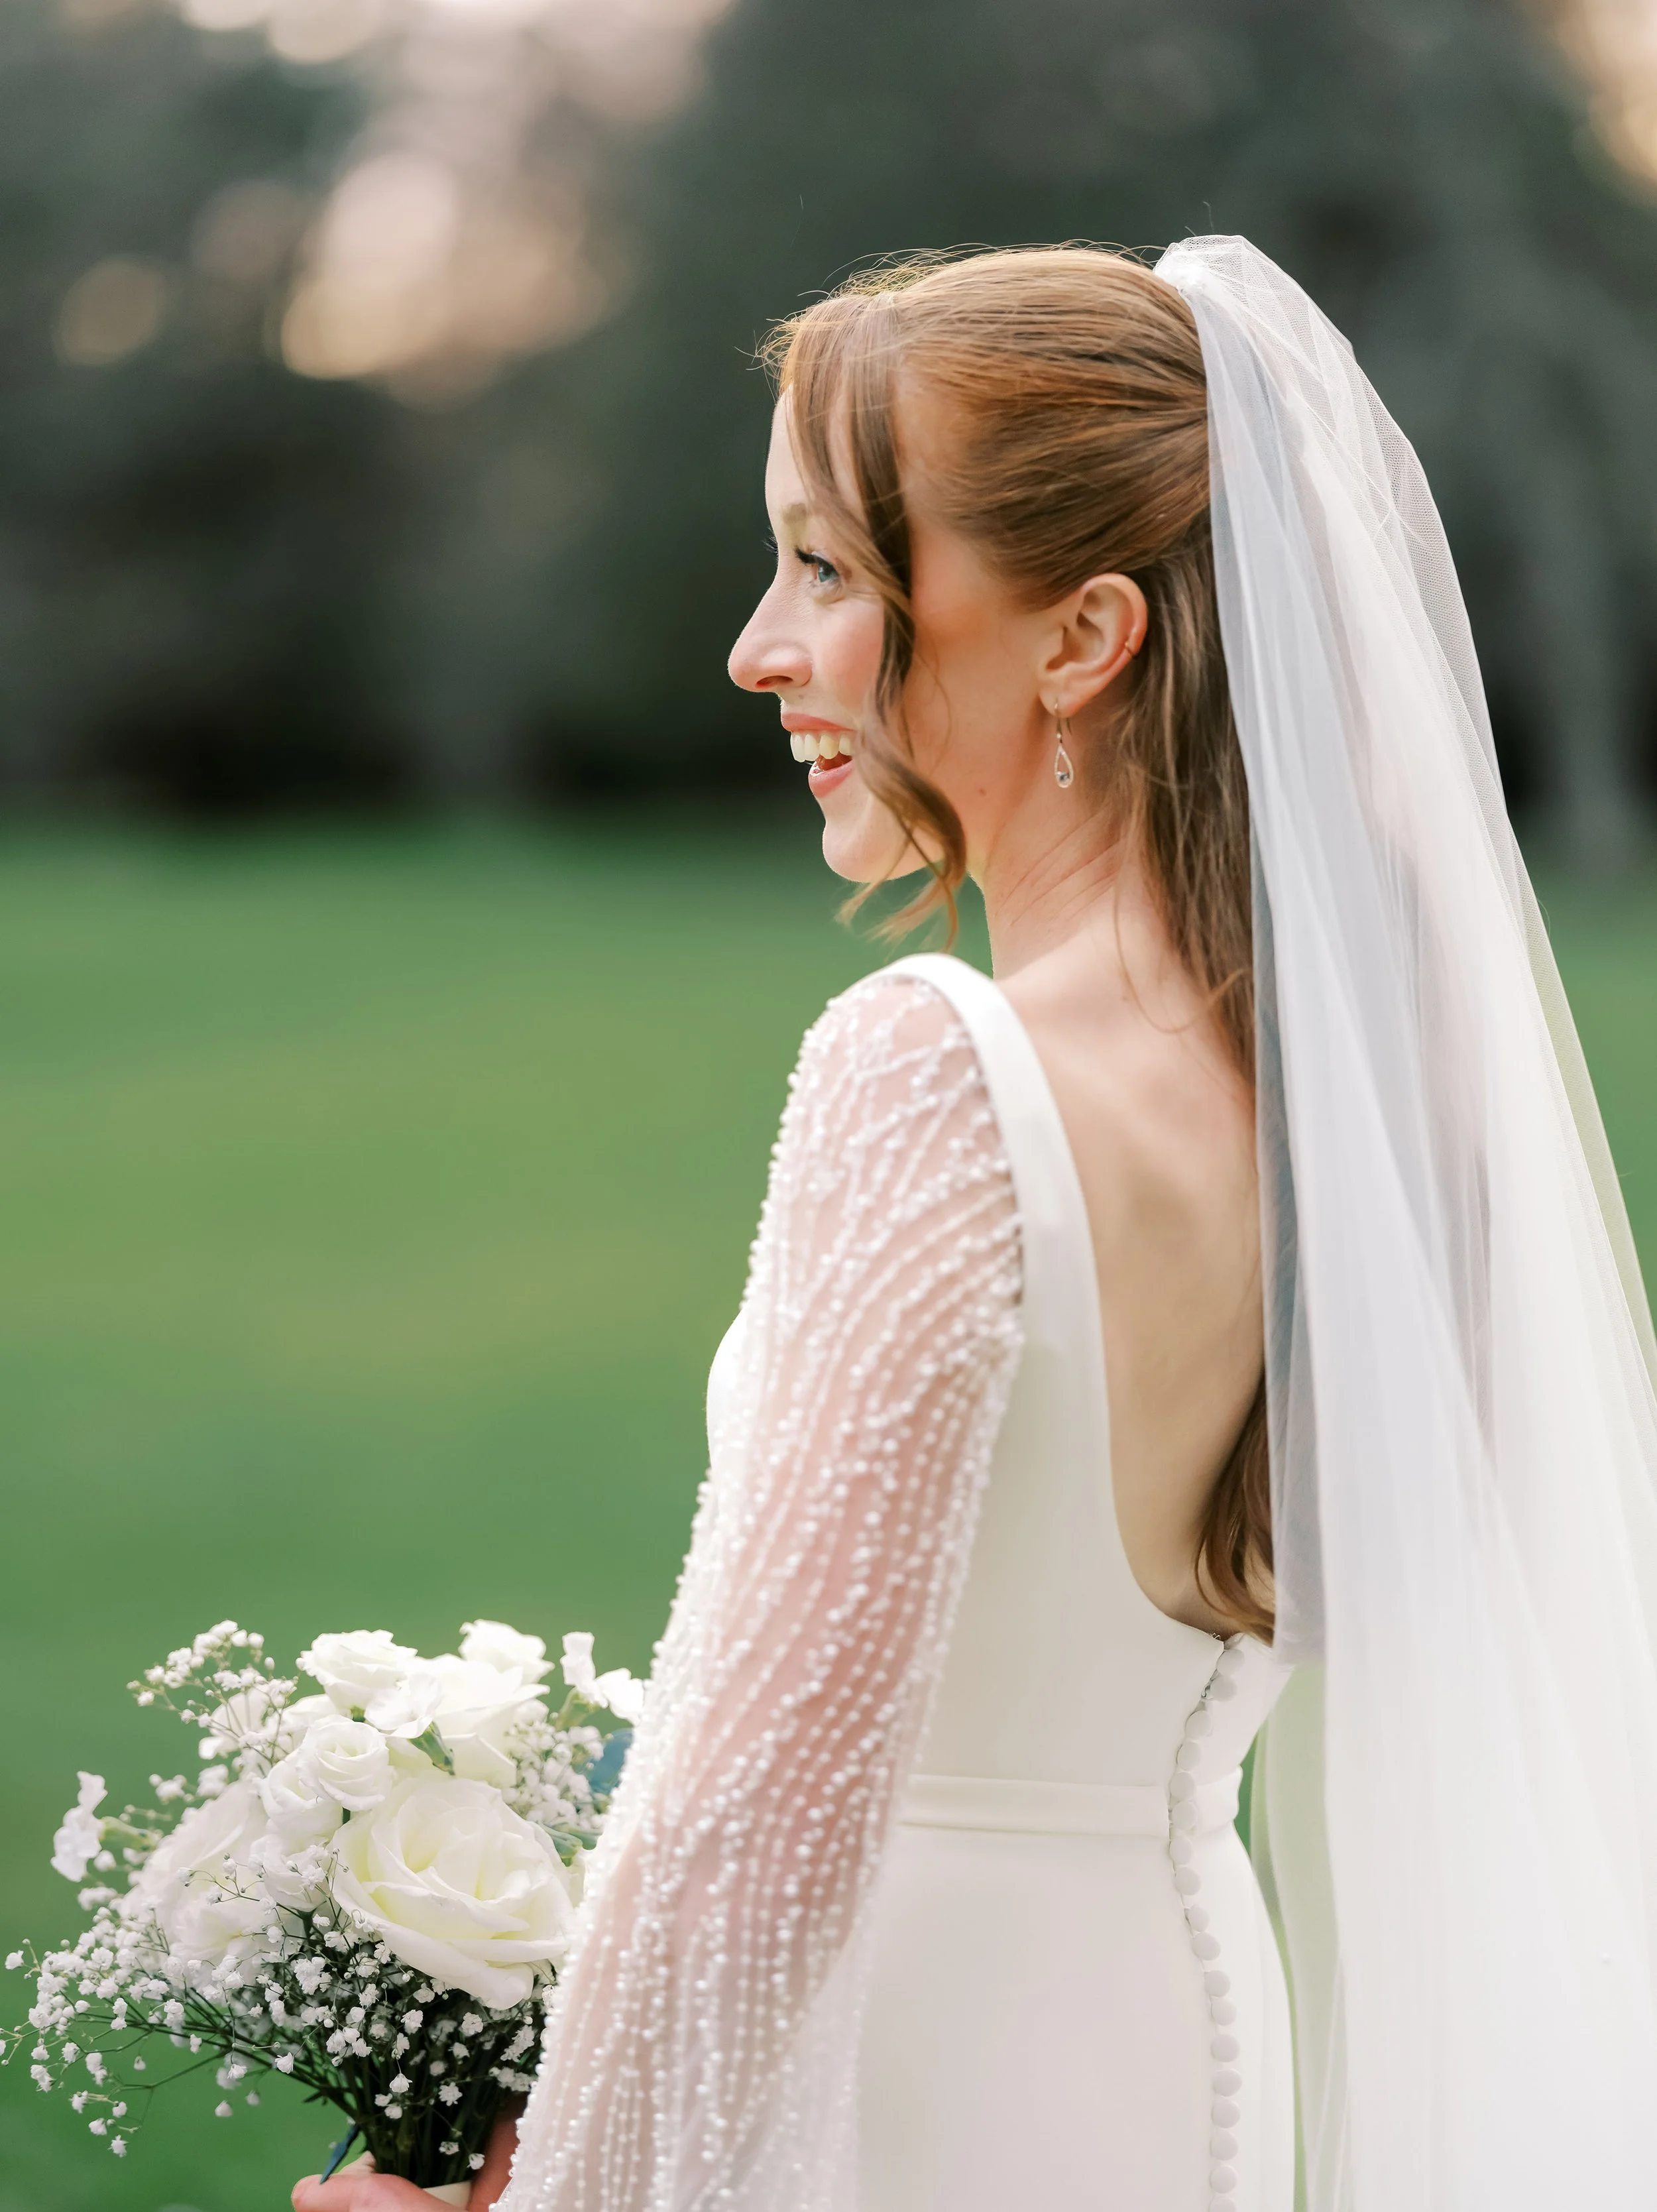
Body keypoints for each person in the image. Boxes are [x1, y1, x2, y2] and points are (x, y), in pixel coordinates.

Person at [294, 239, 1657, 2212]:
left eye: (830, 571)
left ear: (1081, 635)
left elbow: (755, 1805)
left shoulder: (933, 1073)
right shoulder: (1343, 1103)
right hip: (1175, 2045)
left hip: (908, 2084)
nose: (761, 649)